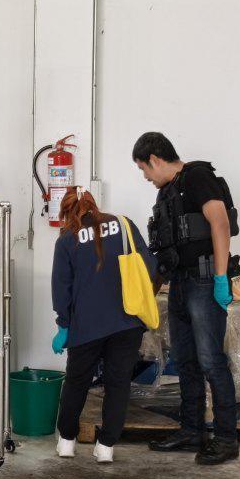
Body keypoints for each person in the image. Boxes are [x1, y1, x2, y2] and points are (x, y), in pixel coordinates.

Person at [133, 132, 240, 465]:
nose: (145, 176)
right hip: (179, 284)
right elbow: (166, 248)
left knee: (211, 361)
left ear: (155, 159)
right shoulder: (167, 192)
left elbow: (220, 224)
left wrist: (220, 278)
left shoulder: (197, 177)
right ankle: (192, 430)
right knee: (186, 361)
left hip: (204, 282)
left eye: (143, 169)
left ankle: (226, 439)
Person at [50, 189, 155, 463]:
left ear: (66, 213)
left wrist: (63, 325)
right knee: (118, 384)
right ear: (93, 205)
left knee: (76, 382)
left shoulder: (67, 239)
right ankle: (106, 447)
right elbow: (149, 266)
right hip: (127, 322)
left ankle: (67, 442)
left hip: (86, 326)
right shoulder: (124, 225)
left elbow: (61, 288)